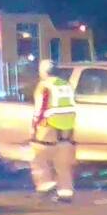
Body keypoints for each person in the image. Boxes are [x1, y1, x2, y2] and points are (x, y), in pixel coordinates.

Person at [31, 60, 77, 202]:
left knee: (39, 153)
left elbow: (40, 108)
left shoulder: (44, 86)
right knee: (63, 159)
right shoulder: (65, 85)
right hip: (68, 125)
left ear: (43, 71)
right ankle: (65, 192)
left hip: (49, 123)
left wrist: (34, 125)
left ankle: (45, 184)